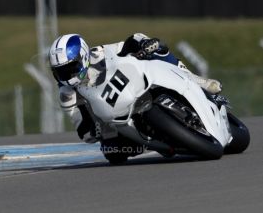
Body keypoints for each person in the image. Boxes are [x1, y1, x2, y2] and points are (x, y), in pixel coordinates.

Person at [49, 33, 222, 143]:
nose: (67, 75)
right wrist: (94, 130)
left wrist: (144, 43)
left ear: (83, 56)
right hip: (112, 120)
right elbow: (81, 128)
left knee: (158, 49)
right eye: (61, 72)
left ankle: (197, 80)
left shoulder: (98, 53)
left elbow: (127, 44)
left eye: (70, 68)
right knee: (114, 152)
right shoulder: (66, 94)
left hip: (130, 86)